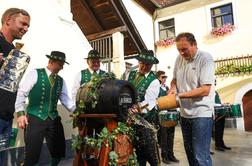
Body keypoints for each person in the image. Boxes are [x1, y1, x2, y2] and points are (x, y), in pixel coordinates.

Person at [15, 51, 75, 166]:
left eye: (63, 64)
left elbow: (66, 100)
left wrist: (77, 112)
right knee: (32, 154)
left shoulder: (60, 80)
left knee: (59, 151)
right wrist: (20, 113)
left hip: (53, 118)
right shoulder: (35, 73)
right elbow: (21, 93)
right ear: (51, 62)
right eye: (60, 64)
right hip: (35, 117)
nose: (62, 67)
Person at [168, 32, 215, 166]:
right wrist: (172, 89)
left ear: (194, 45)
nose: (181, 53)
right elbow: (174, 80)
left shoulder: (205, 59)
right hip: (185, 114)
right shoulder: (179, 59)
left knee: (200, 156)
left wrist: (180, 95)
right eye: (179, 50)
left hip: (201, 113)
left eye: (184, 49)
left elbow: (205, 90)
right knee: (190, 155)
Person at [0, 7, 30, 164]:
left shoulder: (13, 50)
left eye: (28, 26)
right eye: (23, 24)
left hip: (5, 117)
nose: (25, 29)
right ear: (8, 21)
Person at [127, 49, 160, 166]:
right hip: (130, 119)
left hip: (146, 122)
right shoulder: (130, 74)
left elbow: (150, 102)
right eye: (142, 63)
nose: (144, 66)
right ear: (139, 61)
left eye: (148, 64)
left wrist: (136, 109)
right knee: (136, 153)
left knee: (150, 154)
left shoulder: (154, 81)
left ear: (152, 65)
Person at [156, 70, 179, 164]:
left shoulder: (167, 88)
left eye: (165, 77)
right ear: (158, 78)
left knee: (171, 135)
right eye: (162, 77)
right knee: (164, 137)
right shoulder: (156, 88)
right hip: (162, 115)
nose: (165, 79)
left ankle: (171, 155)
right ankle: (164, 156)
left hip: (169, 114)